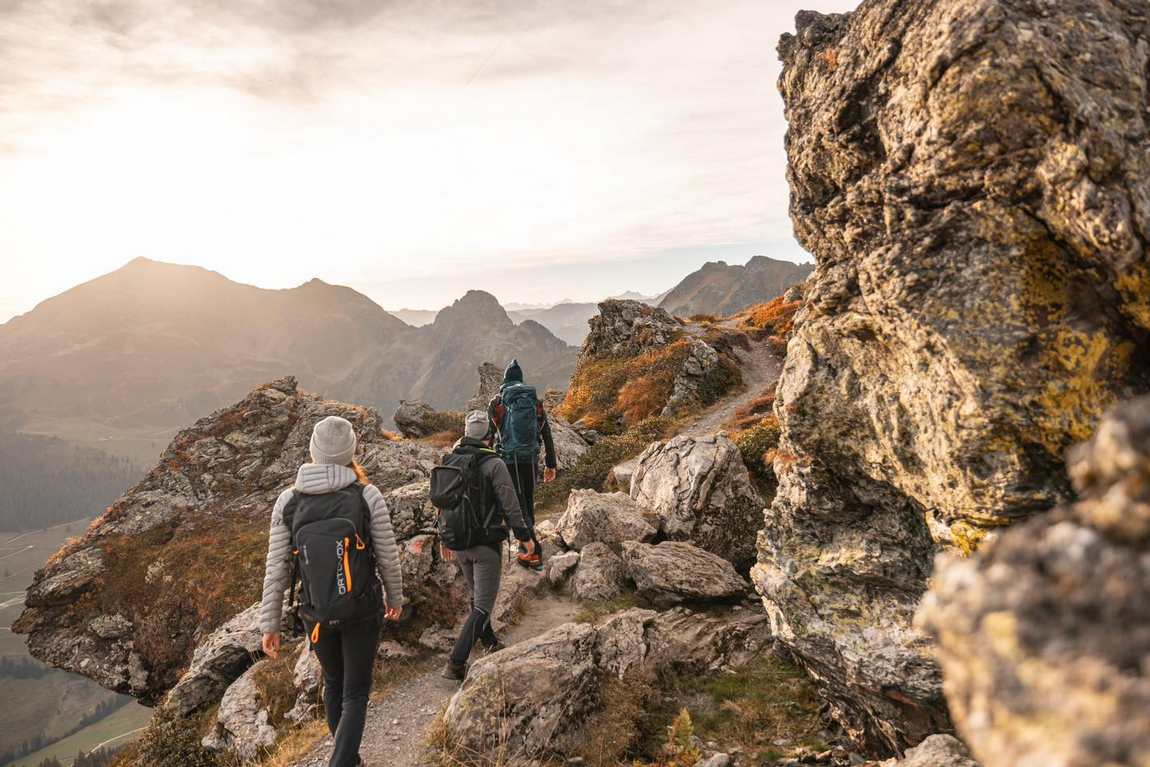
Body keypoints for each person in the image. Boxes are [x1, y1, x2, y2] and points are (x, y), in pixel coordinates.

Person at [258, 416, 405, 767]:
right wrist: (395, 598)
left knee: (335, 685)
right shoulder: (366, 495)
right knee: (355, 692)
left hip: (317, 615)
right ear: (351, 452)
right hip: (362, 611)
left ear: (312, 450)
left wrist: (270, 625)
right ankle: (343, 761)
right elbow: (387, 554)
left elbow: (276, 568)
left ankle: (348, 760)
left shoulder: (288, 503)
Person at [438, 411, 535, 680]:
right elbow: (511, 504)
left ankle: (490, 641)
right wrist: (524, 537)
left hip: (458, 543)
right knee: (483, 605)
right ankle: (455, 662)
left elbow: (442, 504)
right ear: (489, 437)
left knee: (475, 597)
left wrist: (443, 538)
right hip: (485, 545)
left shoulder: (449, 460)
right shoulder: (494, 463)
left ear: (466, 433)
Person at [487, 359, 557, 571]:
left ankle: (532, 552)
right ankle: (525, 546)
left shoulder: (498, 402)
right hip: (531, 459)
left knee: (516, 505)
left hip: (508, 460)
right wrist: (551, 464)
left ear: (506, 380)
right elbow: (546, 432)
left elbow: (489, 436)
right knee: (526, 500)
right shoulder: (534, 401)